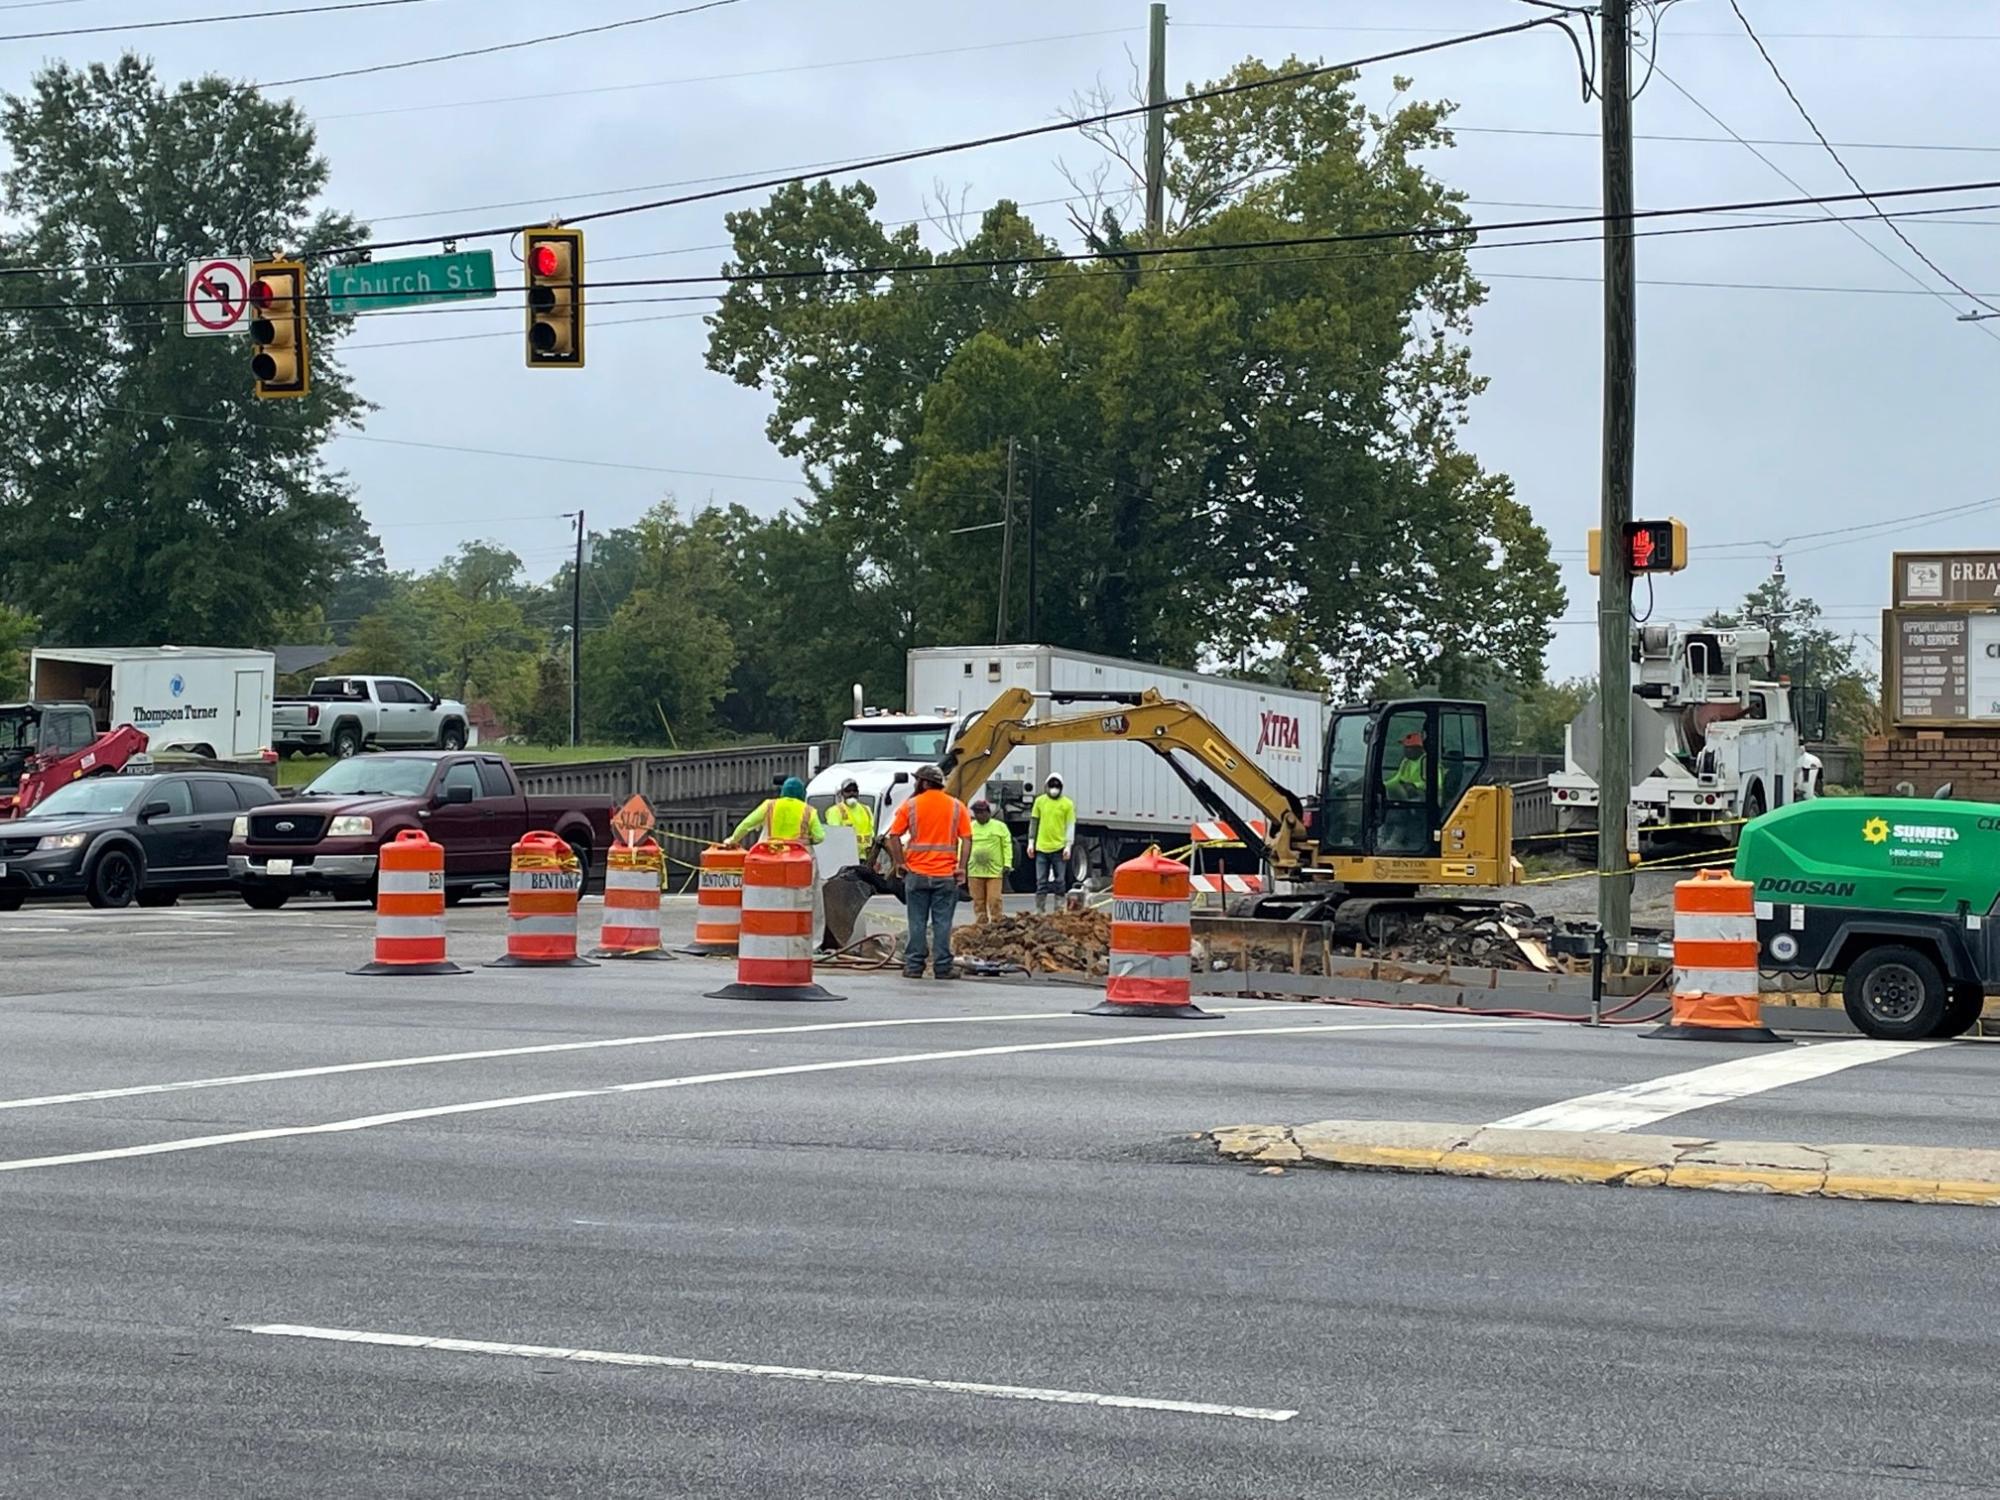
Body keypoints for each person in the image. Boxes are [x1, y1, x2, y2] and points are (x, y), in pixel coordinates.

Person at [884, 763, 972, 979]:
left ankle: (914, 966)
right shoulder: (956, 806)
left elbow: (893, 836)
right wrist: (962, 868)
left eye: (917, 780)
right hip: (945, 876)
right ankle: (942, 967)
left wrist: (900, 862)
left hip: (917, 874)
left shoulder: (911, 806)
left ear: (923, 782)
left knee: (917, 921)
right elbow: (967, 839)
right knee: (942, 923)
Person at [731, 775, 827, 941]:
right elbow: (820, 837)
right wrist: (806, 840)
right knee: (808, 900)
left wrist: (732, 840)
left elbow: (746, 824)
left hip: (770, 858)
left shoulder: (769, 805)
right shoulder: (808, 811)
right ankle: (810, 941)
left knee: (767, 898)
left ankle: (763, 935)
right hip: (800, 861)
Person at [1028, 773, 1076, 913]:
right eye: (1052, 786)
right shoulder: (1040, 801)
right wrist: (1031, 842)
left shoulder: (1067, 804)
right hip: (1042, 848)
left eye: (1057, 786)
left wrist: (1068, 846)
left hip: (1059, 848)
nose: (1054, 789)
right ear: (1047, 787)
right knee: (1041, 882)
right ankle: (1040, 909)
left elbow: (1070, 825)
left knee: (1060, 881)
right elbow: (1034, 822)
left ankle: (1059, 909)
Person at [1380, 731, 1432, 853]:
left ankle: (1397, 839)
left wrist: (1414, 786)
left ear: (1418, 748)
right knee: (1387, 803)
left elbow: (1436, 783)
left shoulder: (1427, 761)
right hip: (1408, 796)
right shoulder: (1406, 762)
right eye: (1405, 747)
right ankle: (1385, 837)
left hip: (1425, 798)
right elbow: (1396, 780)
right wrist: (1382, 785)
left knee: (1401, 809)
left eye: (1408, 748)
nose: (1405, 750)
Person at [965, 798, 1013, 925]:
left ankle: (997, 923)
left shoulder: (1000, 827)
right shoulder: (970, 827)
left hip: (994, 871)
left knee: (994, 899)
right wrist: (961, 863)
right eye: (976, 813)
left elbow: (1006, 845)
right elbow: (963, 845)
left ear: (988, 812)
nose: (979, 816)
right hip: (975, 871)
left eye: (981, 812)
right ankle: (981, 924)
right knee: (977, 901)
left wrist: (1007, 863)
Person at [824, 777, 876, 856]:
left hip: (867, 858)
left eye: (854, 790)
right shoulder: (835, 811)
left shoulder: (866, 809)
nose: (852, 793)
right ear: (842, 793)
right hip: (846, 857)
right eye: (848, 791)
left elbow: (872, 834)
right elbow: (834, 835)